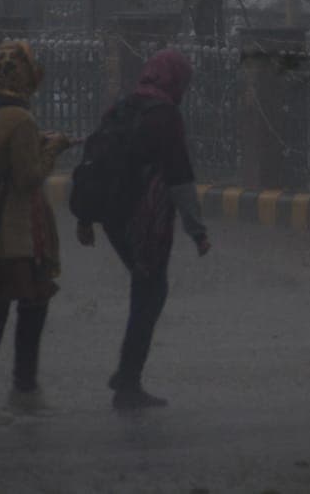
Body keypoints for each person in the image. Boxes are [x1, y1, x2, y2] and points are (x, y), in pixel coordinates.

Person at [76, 47, 212, 410]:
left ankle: (127, 375)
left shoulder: (122, 106)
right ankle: (128, 380)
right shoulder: (165, 115)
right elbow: (179, 176)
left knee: (145, 286)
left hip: (111, 216)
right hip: (144, 218)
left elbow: (94, 162)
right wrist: (196, 230)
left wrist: (85, 218)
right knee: (150, 292)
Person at [0, 40, 76, 426]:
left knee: (7, 307)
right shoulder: (20, 119)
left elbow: (0, 160)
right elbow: (28, 178)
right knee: (7, 309)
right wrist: (53, 149)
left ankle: (14, 391)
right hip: (10, 235)